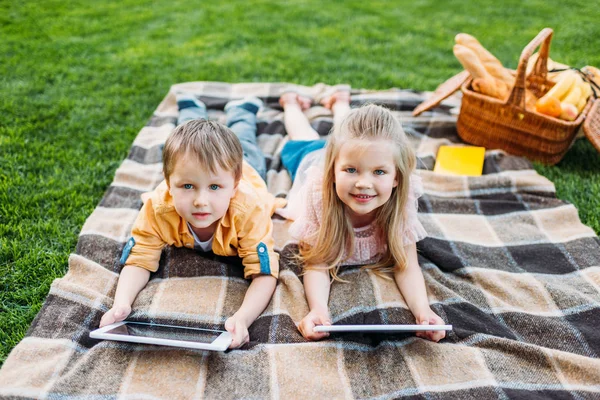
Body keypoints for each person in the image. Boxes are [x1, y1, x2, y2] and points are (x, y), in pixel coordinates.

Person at [99, 95, 283, 348]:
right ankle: (191, 110)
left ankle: (241, 110)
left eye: (215, 187)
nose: (201, 201)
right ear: (167, 181)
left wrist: (242, 319)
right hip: (206, 168)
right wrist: (121, 304)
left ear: (234, 186)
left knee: (244, 139)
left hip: (246, 165)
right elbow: (139, 258)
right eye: (187, 186)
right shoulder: (158, 207)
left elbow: (264, 273)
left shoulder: (248, 210)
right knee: (185, 141)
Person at [278, 93, 446, 342]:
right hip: (309, 159)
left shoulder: (403, 199)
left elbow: (407, 265)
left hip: (348, 151)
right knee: (303, 137)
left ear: (396, 177)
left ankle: (339, 103)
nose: (363, 184)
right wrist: (318, 310)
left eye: (379, 171)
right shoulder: (319, 196)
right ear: (333, 171)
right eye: (351, 171)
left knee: (352, 140)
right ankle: (291, 104)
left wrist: (423, 311)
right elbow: (318, 263)